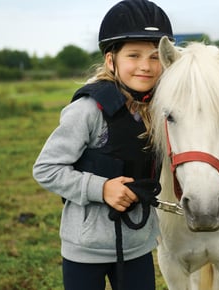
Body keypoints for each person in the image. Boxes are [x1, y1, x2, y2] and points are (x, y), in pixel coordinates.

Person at [32, 1, 174, 289]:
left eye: (155, 56)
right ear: (111, 61)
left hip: (138, 246)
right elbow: (46, 168)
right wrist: (101, 188)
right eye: (133, 55)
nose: (145, 66)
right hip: (85, 250)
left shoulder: (163, 111)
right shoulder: (88, 110)